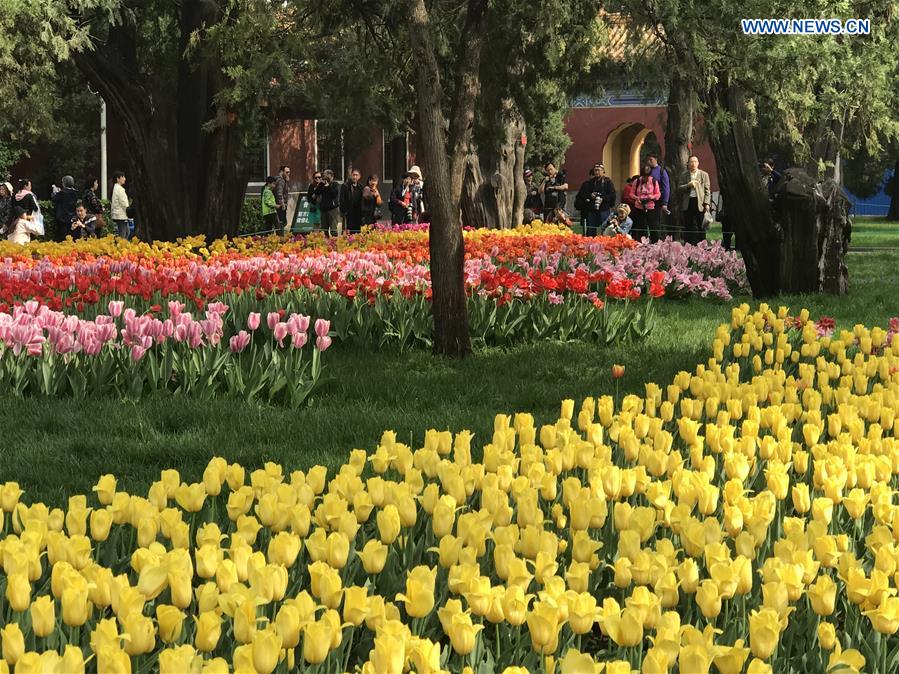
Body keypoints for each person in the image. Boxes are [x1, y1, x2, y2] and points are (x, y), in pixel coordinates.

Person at [575, 163, 616, 236]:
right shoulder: (589, 183)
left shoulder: (608, 182)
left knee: (606, 229)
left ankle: (606, 243)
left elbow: (612, 195)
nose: (597, 172)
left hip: (604, 209)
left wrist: (602, 198)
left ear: (603, 171)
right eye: (595, 170)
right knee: (591, 229)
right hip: (592, 209)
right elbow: (582, 194)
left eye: (599, 170)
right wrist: (590, 195)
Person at [678, 155, 711, 245]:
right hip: (688, 202)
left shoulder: (704, 175)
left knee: (701, 225)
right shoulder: (684, 175)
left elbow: (707, 191)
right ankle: (689, 244)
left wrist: (707, 203)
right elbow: (679, 188)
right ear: (688, 163)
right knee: (688, 225)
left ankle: (702, 245)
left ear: (698, 163)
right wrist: (688, 185)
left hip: (700, 203)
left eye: (695, 162)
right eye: (691, 162)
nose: (693, 164)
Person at [630, 164, 661, 241]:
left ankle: (655, 243)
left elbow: (658, 194)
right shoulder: (636, 181)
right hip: (639, 207)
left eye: (647, 176)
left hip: (650, 207)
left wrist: (652, 197)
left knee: (653, 226)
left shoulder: (654, 181)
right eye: (644, 176)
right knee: (641, 227)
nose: (645, 178)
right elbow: (631, 193)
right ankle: (642, 243)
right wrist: (637, 198)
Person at [9, 179, 40, 245]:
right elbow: (35, 208)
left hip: (15, 218)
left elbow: (12, 207)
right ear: (25, 186)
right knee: (26, 235)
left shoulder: (15, 195)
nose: (30, 187)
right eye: (30, 185)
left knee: (15, 233)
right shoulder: (29, 195)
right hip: (27, 218)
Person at [647, 154, 670, 240]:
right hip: (647, 201)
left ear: (656, 159)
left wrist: (665, 203)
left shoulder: (661, 171)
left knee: (656, 222)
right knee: (649, 222)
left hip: (657, 201)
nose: (649, 162)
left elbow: (666, 187)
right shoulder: (647, 171)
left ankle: (658, 239)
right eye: (648, 160)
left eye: (651, 160)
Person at [51, 176, 79, 242]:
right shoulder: (75, 192)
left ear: (64, 183)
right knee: (70, 236)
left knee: (62, 237)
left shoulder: (63, 192)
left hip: (62, 217)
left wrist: (54, 192)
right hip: (72, 217)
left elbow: (54, 198)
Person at [316, 169, 340, 236]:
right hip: (323, 209)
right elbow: (317, 192)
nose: (325, 178)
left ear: (331, 176)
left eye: (327, 176)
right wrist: (320, 184)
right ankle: (325, 245)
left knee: (333, 230)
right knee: (324, 230)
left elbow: (334, 195)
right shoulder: (322, 184)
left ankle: (334, 244)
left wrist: (328, 186)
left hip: (333, 210)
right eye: (324, 176)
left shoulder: (335, 184)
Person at [340, 168, 364, 234]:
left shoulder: (361, 187)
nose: (355, 177)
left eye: (356, 175)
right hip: (348, 212)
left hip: (358, 212)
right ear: (351, 176)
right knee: (348, 230)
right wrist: (343, 211)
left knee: (357, 230)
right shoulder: (345, 186)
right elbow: (342, 199)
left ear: (359, 177)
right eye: (353, 175)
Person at [110, 171, 131, 238]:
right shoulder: (119, 189)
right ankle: (119, 247)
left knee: (126, 232)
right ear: (118, 179)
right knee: (123, 234)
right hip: (121, 215)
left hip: (120, 215)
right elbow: (124, 202)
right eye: (123, 177)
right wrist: (129, 211)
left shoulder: (116, 188)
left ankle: (119, 246)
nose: (124, 178)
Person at [274, 166, 290, 230]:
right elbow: (279, 193)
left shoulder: (281, 180)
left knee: (282, 222)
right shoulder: (281, 181)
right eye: (287, 172)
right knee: (282, 222)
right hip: (280, 205)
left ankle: (280, 235)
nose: (288, 174)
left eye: (289, 172)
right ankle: (280, 236)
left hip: (279, 204)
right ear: (281, 172)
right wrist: (282, 204)